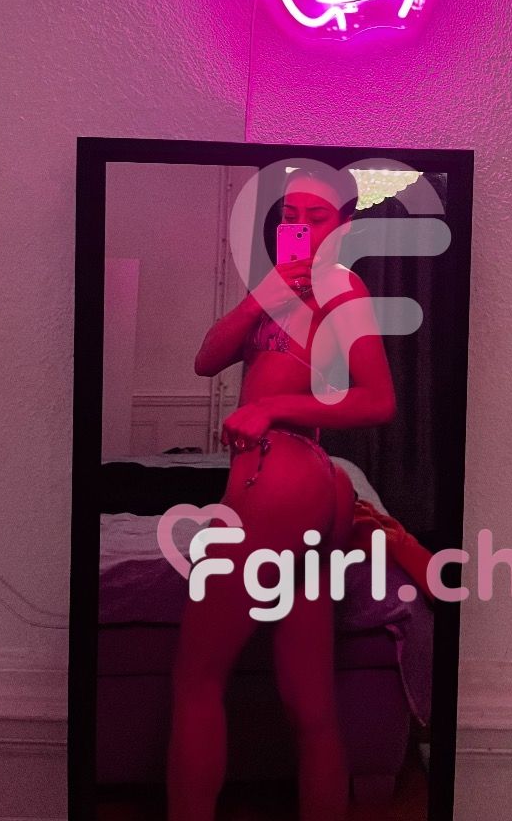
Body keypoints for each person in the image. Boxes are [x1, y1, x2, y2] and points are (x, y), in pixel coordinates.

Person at [167, 166, 397, 821]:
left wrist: (273, 410)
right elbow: (206, 360)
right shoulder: (271, 293)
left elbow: (379, 400)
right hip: (310, 489)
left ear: (343, 227)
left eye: (315, 217)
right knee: (310, 703)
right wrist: (259, 298)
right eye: (290, 215)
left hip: (281, 474)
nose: (298, 226)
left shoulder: (342, 288)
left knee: (196, 681)